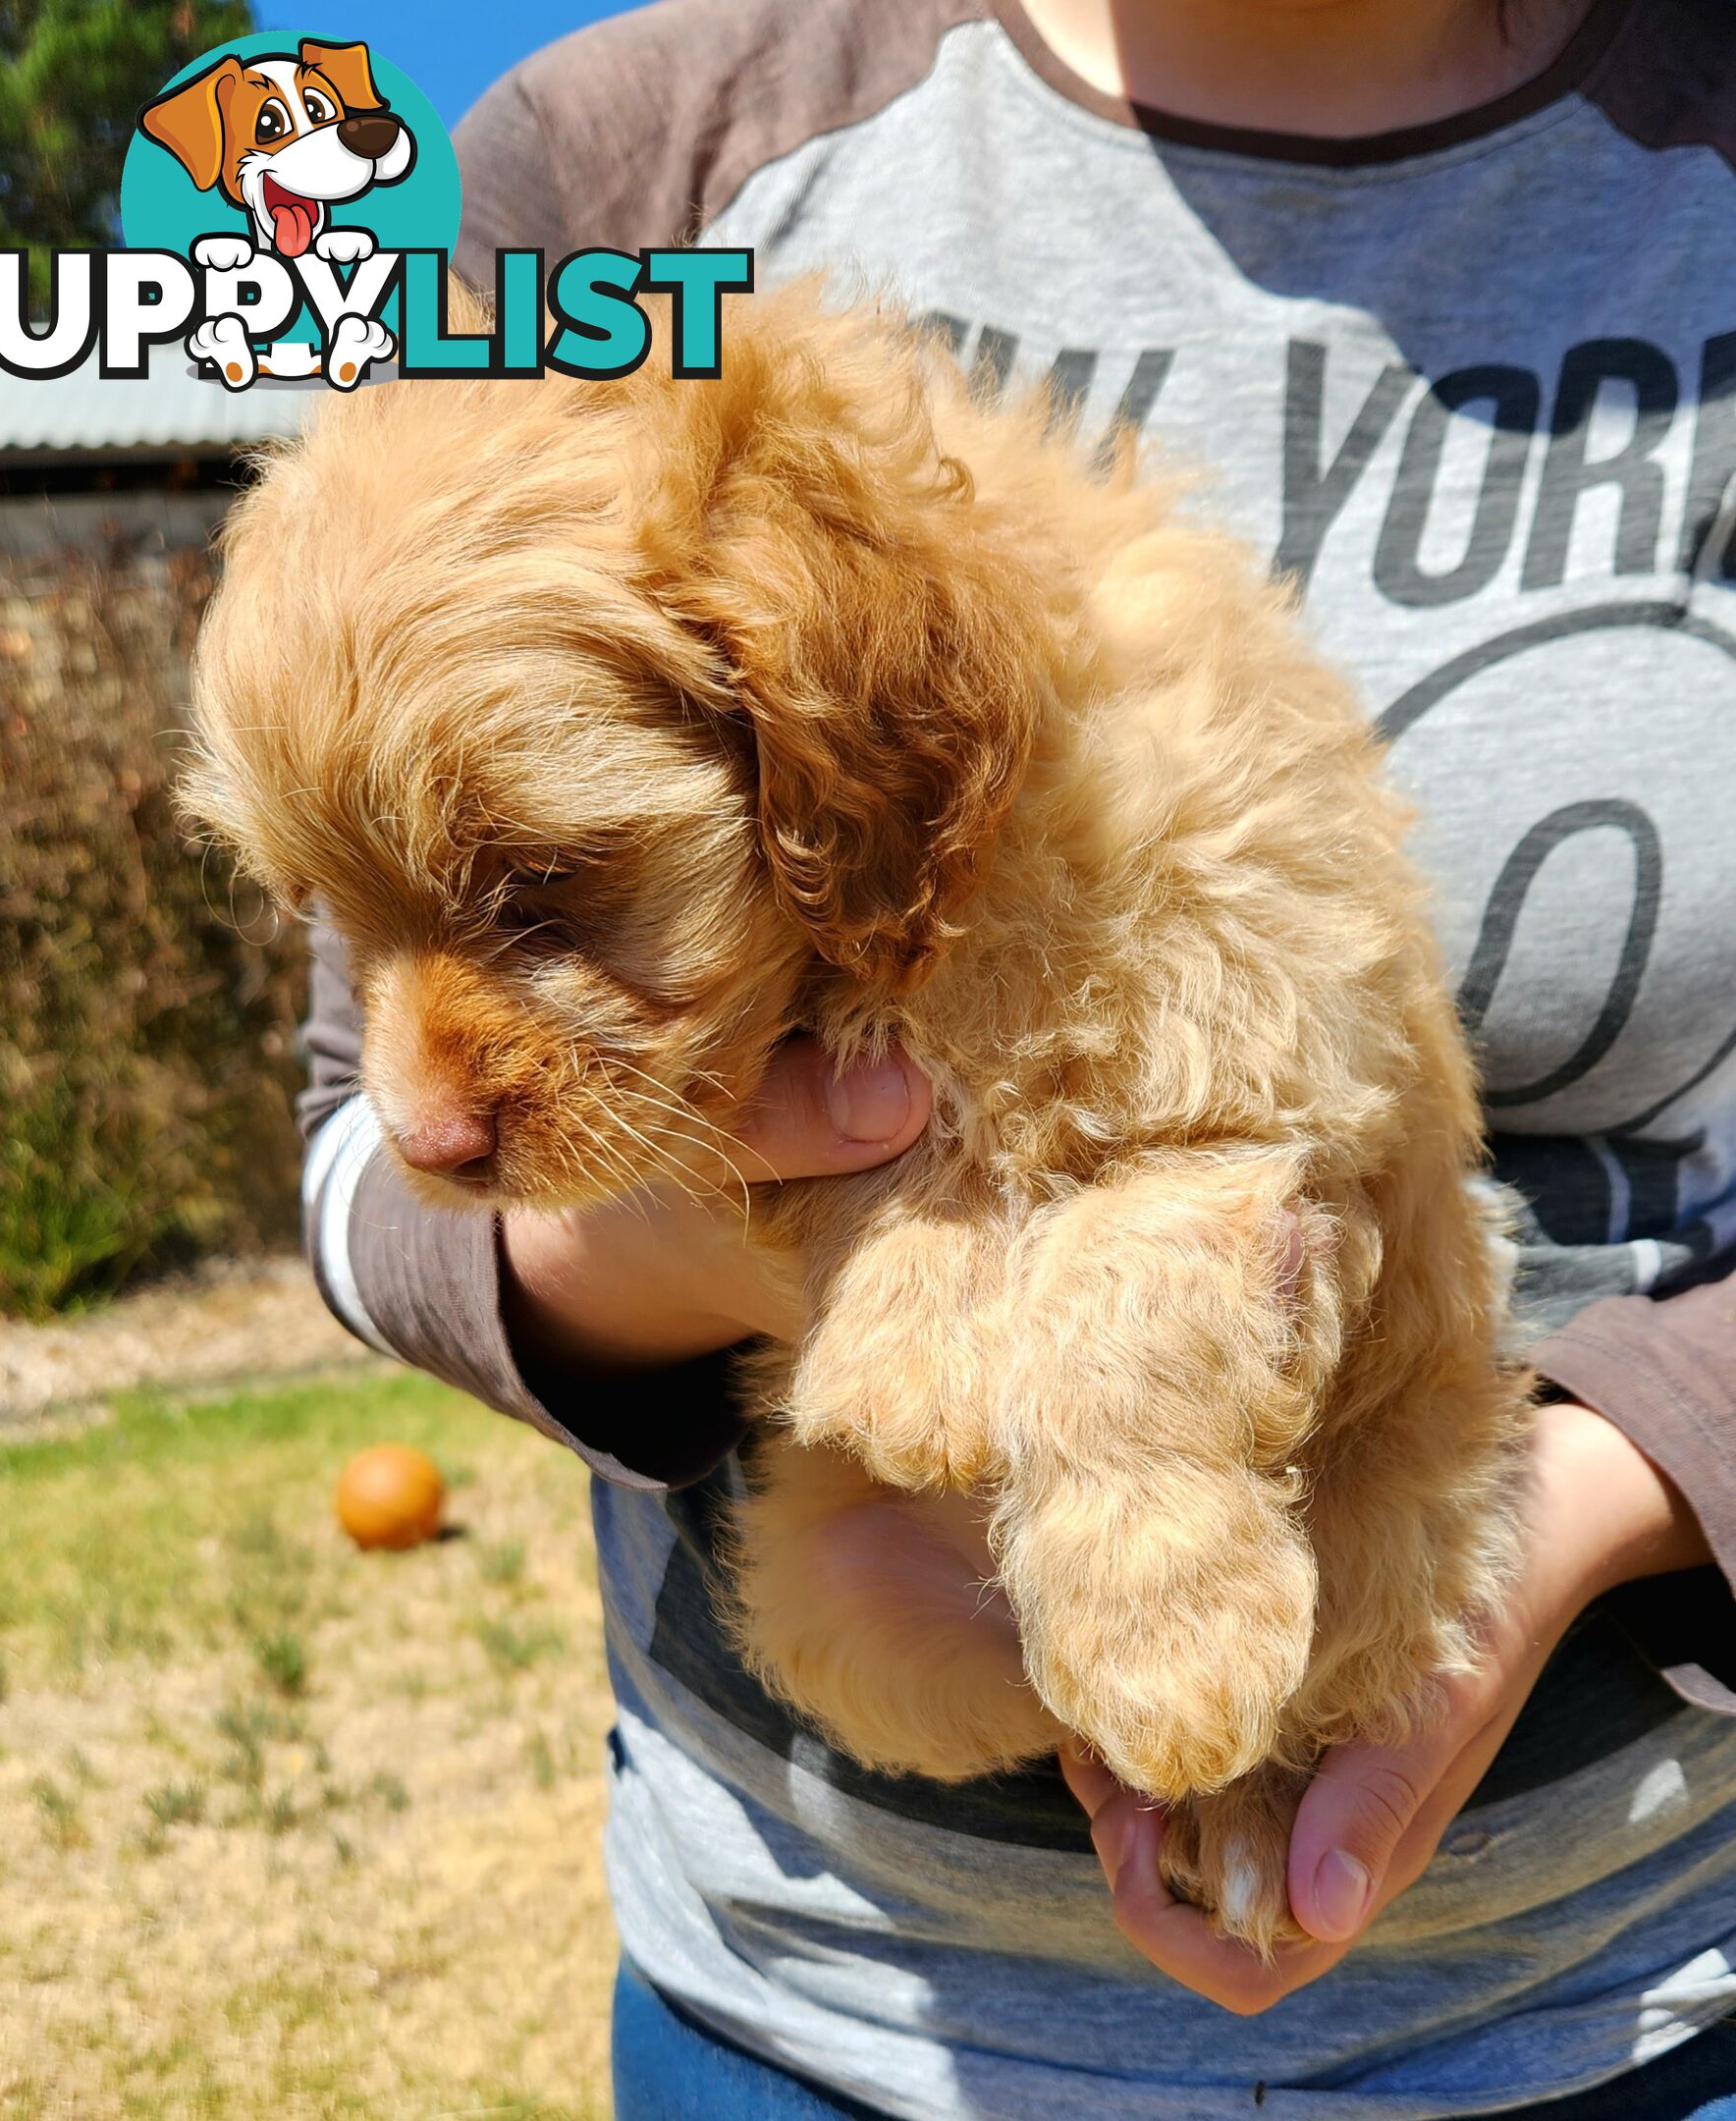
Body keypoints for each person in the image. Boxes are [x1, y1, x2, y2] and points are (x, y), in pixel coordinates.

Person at [296, 0, 1736, 2110]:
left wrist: (1562, 1508)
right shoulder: (640, 162)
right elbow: (357, 1151)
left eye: (546, 887)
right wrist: (772, 1232)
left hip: (1625, 1999)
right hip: (816, 2015)